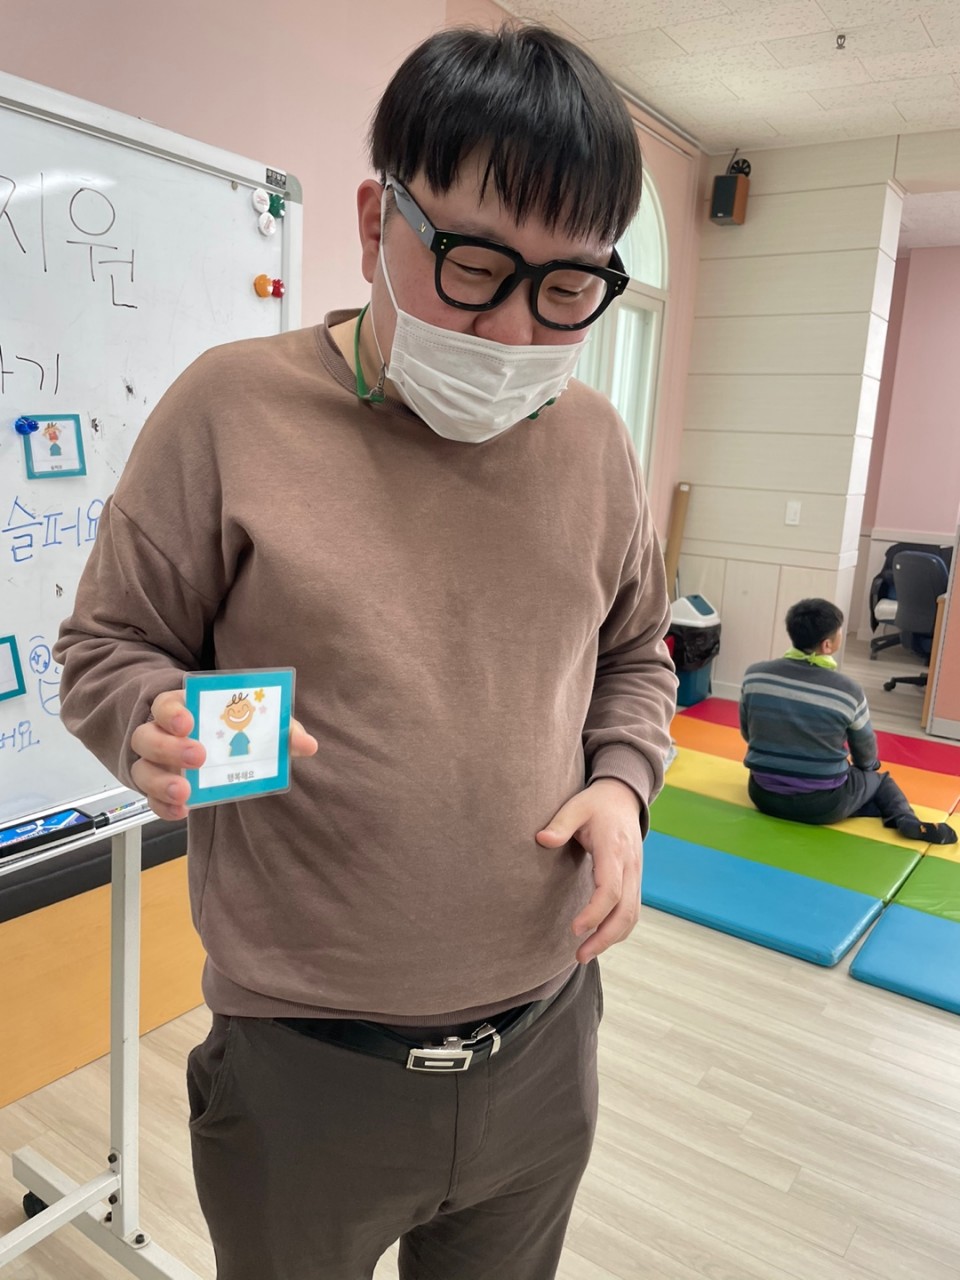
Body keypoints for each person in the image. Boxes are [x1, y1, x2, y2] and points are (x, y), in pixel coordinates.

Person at [55, 24, 677, 1280]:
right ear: (374, 220)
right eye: (473, 267)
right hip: (304, 1068)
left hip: (546, 1042)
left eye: (567, 289)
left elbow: (637, 651)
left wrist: (624, 780)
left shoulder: (596, 443)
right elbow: (107, 646)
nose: (514, 335)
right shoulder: (230, 409)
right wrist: (148, 715)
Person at [740, 598, 956, 845]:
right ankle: (905, 819)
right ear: (827, 644)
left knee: (855, 788)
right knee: (880, 781)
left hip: (763, 795)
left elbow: (749, 733)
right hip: (824, 805)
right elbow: (865, 751)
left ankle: (868, 806)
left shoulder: (754, 675)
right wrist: (869, 766)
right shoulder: (847, 691)